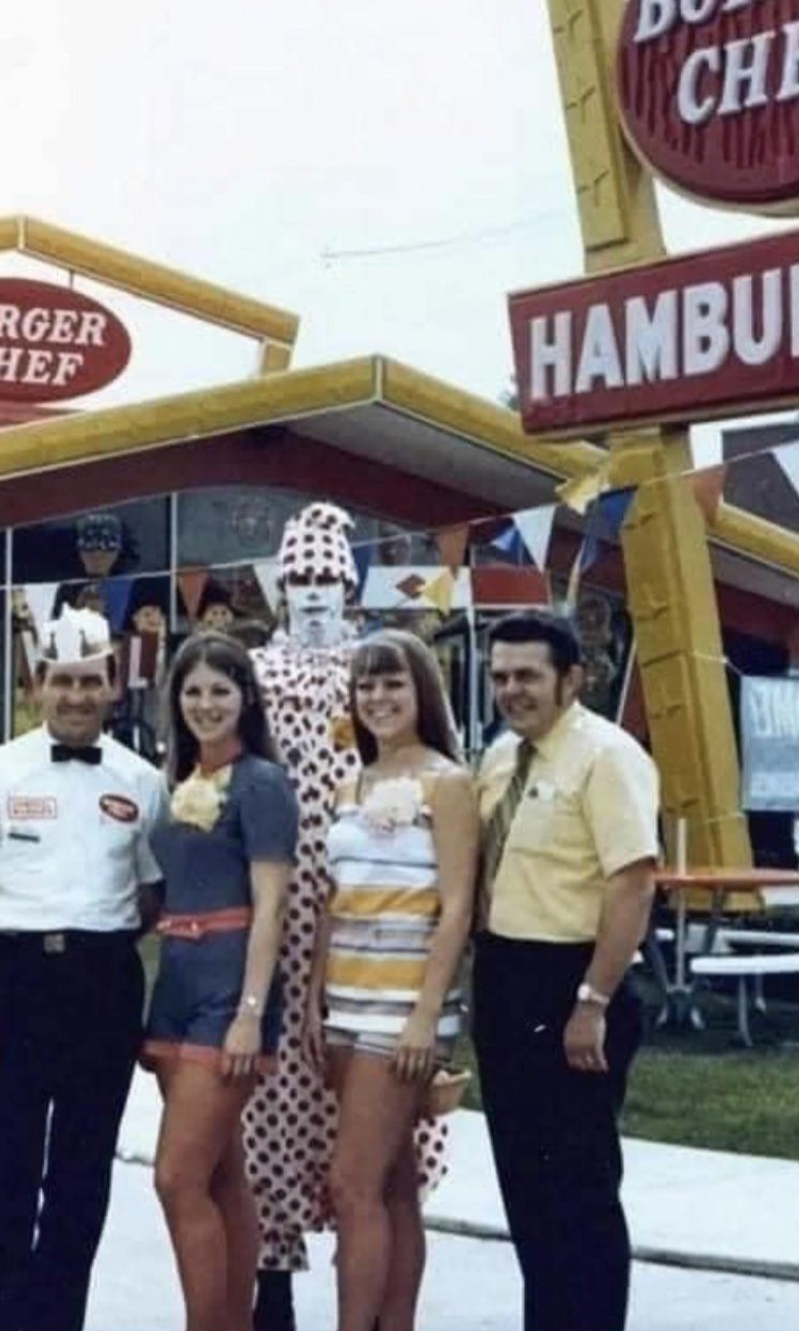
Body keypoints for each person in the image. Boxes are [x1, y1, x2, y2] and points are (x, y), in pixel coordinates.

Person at [0, 605, 166, 1331]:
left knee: (81, 1177)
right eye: (62, 680)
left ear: (113, 686)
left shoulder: (143, 780)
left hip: (103, 987)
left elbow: (151, 896)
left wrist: (102, 949)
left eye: (90, 681)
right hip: (17, 985)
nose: (76, 695)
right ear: (37, 684)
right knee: (4, 1173)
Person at [247, 502, 449, 1331]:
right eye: (300, 578)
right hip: (275, 906)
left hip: (373, 915)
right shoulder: (254, 673)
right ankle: (274, 1282)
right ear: (280, 586)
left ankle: (374, 1304)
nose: (315, 592)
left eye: (329, 576)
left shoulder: (376, 678)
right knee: (273, 1090)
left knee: (370, 1144)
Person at [472, 610, 660, 1331]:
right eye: (500, 676)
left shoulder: (606, 757)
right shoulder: (499, 759)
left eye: (528, 675)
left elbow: (633, 883)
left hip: (574, 982)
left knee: (579, 1192)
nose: (512, 690)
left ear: (572, 679)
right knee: (526, 1188)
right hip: (506, 980)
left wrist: (593, 1000)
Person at [307, 629, 479, 1331]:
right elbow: (332, 895)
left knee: (350, 1186)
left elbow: (459, 904)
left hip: (402, 1007)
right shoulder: (351, 780)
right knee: (391, 1184)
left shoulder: (448, 781)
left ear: (422, 694)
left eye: (393, 684)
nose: (378, 698)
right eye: (367, 685)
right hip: (346, 1001)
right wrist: (319, 999)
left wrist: (424, 1014)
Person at [144, 631, 298, 1331]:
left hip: (229, 991)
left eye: (220, 691)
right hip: (173, 985)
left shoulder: (262, 782)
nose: (206, 704)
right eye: (193, 691)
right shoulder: (181, 781)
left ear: (246, 699)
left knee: (175, 1177)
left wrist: (249, 1011)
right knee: (218, 1171)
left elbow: (272, 906)